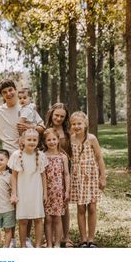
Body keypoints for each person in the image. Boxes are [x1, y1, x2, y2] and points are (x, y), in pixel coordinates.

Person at [0, 79, 45, 247]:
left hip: (28, 157)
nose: (9, 94)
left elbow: (42, 127)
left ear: (15, 90)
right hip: (9, 160)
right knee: (11, 200)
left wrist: (27, 127)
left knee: (28, 199)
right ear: (2, 96)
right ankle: (10, 238)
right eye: (5, 92)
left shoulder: (26, 108)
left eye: (11, 90)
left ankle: (27, 239)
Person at [69, 111, 106, 247]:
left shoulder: (91, 138)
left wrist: (102, 177)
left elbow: (99, 158)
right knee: (80, 209)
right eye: (73, 124)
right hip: (77, 177)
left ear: (85, 124)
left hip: (91, 176)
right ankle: (83, 239)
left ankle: (91, 239)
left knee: (92, 207)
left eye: (79, 123)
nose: (76, 126)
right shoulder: (71, 139)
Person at [8, 129, 48, 248]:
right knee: (23, 220)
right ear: (23, 141)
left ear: (38, 141)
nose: (32, 142)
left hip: (36, 191)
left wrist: (45, 193)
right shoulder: (16, 155)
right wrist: (14, 193)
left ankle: (38, 245)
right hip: (22, 191)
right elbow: (13, 176)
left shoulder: (41, 155)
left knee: (38, 218)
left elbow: (43, 176)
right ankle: (23, 245)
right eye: (29, 139)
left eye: (34, 140)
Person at [46, 103, 73, 247]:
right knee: (48, 209)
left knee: (64, 206)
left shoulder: (67, 132)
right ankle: (49, 238)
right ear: (51, 114)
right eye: (56, 115)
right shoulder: (45, 130)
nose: (59, 118)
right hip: (49, 171)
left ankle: (65, 237)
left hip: (64, 170)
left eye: (62, 116)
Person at [43, 128, 70, 248]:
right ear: (45, 142)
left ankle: (58, 243)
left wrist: (67, 191)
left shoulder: (62, 157)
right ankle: (49, 243)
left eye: (54, 139)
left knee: (58, 218)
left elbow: (66, 174)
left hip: (59, 191)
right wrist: (44, 193)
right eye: (49, 140)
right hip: (46, 191)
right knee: (48, 219)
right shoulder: (43, 156)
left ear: (58, 140)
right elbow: (42, 175)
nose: (52, 142)